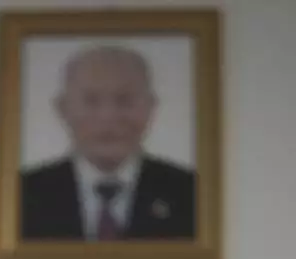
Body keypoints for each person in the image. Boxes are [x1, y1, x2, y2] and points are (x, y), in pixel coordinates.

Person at [21, 45, 197, 241]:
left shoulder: (192, 193)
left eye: (125, 100)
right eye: (91, 101)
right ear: (62, 108)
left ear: (150, 107)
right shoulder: (22, 194)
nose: (108, 116)